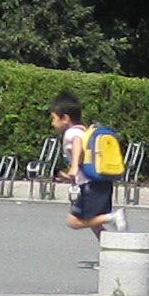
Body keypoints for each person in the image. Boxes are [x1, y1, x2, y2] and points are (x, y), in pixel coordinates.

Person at [54, 92, 119, 233]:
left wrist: (74, 167)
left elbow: (77, 144)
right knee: (94, 222)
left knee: (74, 221)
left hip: (90, 185)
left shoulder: (72, 132)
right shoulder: (84, 130)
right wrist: (68, 175)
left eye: (53, 118)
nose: (52, 123)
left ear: (65, 118)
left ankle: (112, 218)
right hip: (99, 182)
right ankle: (108, 243)